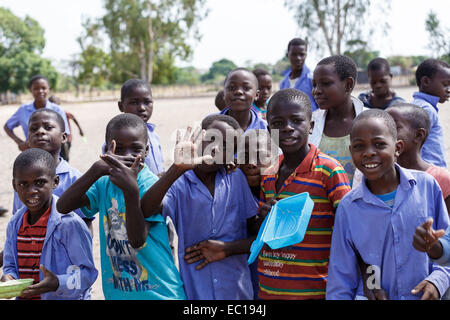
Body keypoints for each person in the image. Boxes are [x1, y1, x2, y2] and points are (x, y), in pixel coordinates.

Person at [56, 113, 186, 300]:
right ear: (107, 149)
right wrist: (96, 169)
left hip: (160, 293)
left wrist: (130, 191)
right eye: (118, 148)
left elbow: (137, 240)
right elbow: (63, 205)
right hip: (119, 293)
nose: (127, 155)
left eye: (136, 148)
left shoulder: (148, 184)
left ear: (147, 151)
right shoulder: (104, 182)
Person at [326, 109, 450, 300]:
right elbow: (341, 277)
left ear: (398, 148)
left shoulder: (427, 187)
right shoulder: (348, 208)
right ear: (351, 151)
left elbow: (447, 247)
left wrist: (437, 280)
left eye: (379, 144)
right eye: (359, 146)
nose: (368, 153)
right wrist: (368, 289)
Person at [140, 114, 260, 300]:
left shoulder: (236, 178)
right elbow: (146, 209)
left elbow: (256, 233)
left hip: (237, 291)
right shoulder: (179, 182)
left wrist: (228, 248)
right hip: (196, 290)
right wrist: (176, 169)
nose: (217, 149)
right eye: (212, 139)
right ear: (197, 137)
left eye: (227, 147)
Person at [256, 88, 351, 300]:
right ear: (269, 128)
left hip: (316, 290)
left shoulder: (329, 170)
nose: (288, 128)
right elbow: (260, 232)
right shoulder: (269, 173)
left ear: (311, 126)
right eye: (278, 123)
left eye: (296, 121)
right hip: (270, 288)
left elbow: (350, 228)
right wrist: (263, 216)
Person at [1, 148, 97, 300]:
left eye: (39, 182)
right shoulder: (15, 224)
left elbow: (87, 274)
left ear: (55, 182)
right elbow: (10, 265)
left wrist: (58, 283)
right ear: (14, 185)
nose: (32, 191)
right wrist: (9, 278)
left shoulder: (69, 224)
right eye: (23, 184)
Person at [11, 109, 93, 232]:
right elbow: (17, 220)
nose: (40, 132)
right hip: (29, 249)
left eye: (48, 127)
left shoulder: (75, 179)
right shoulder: (22, 178)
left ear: (64, 137)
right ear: (28, 138)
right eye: (33, 129)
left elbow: (85, 223)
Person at [310, 55, 366, 186]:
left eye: (326, 83)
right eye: (314, 85)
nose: (316, 91)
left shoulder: (373, 120)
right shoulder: (309, 124)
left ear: (348, 84)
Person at [386, 103, 450, 212]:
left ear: (418, 135)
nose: (384, 133)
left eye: (394, 128)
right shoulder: (381, 176)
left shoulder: (441, 179)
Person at [103, 79, 165, 177]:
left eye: (147, 102)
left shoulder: (154, 136)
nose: (142, 108)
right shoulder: (115, 140)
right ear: (121, 106)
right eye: (134, 102)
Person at [3, 75, 70, 152]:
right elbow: (7, 126)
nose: (40, 91)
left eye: (43, 88)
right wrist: (19, 142)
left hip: (54, 154)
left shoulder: (57, 110)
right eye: (36, 88)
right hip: (32, 153)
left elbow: (65, 132)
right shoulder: (23, 110)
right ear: (30, 90)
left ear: (49, 89)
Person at [411, 58, 450, 168]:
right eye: (445, 84)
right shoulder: (426, 109)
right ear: (426, 82)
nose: (448, 89)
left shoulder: (419, 105)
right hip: (431, 172)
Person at [220, 68, 268, 132]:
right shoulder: (210, 125)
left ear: (256, 95)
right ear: (223, 94)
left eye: (246, 88)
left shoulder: (266, 129)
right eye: (231, 88)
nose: (238, 91)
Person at [279, 38, 317, 111]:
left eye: (302, 54)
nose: (298, 58)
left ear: (306, 55)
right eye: (294, 54)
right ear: (287, 55)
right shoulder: (284, 82)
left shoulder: (312, 79)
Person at [48, 95, 85, 162]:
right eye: (51, 103)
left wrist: (80, 130)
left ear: (58, 103)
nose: (53, 105)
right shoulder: (48, 115)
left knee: (65, 157)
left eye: (54, 103)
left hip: (66, 138)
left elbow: (74, 119)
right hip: (54, 139)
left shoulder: (64, 113)